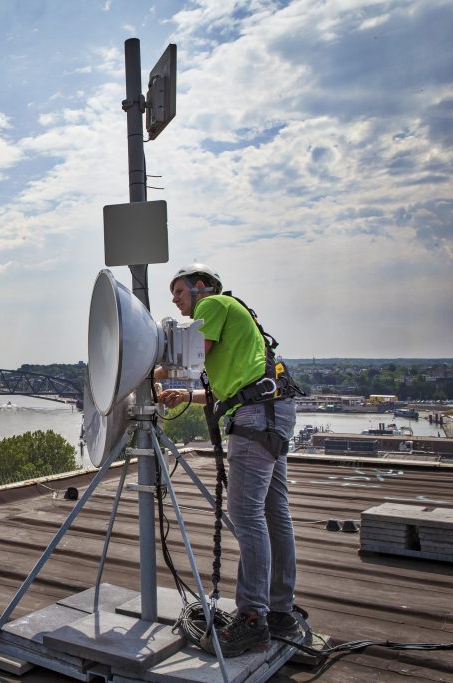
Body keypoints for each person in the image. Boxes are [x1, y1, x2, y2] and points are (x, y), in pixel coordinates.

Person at [156, 263, 301, 657]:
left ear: (201, 287)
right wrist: (187, 396)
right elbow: (229, 387)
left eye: (179, 292)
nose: (176, 301)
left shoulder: (213, 304)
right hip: (272, 410)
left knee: (247, 515)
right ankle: (280, 611)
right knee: (274, 513)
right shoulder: (233, 315)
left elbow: (191, 356)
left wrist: (150, 370)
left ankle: (253, 618)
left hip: (256, 418)